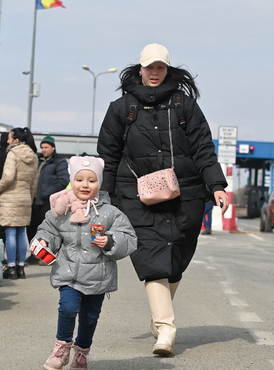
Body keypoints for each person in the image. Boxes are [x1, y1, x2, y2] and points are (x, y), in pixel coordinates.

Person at [97, 43, 229, 357]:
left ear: (167, 70)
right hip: (136, 197)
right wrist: (105, 197)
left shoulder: (185, 106)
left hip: (186, 195)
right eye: (149, 67)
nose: (154, 73)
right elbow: (108, 156)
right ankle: (166, 330)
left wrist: (217, 185)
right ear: (139, 70)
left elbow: (202, 150)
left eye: (160, 67)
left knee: (176, 262)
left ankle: (159, 316)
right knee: (152, 261)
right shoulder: (122, 108)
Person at [31, 156, 137, 370]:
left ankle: (81, 353)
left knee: (89, 317)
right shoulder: (60, 210)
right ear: (72, 181)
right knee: (68, 308)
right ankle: (61, 349)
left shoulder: (109, 212)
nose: (85, 185)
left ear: (99, 183)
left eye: (92, 180)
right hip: (67, 272)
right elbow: (47, 229)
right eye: (79, 180)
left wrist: (110, 241)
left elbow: (128, 237)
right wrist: (43, 241)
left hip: (98, 276)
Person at [0, 127, 38, 279]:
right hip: (25, 196)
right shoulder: (33, 155)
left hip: (11, 196)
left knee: (10, 232)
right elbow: (34, 182)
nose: (7, 141)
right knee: (21, 232)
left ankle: (11, 267)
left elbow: (8, 177)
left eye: (9, 138)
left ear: (16, 140)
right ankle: (21, 267)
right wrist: (30, 197)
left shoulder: (12, 154)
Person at [27, 135, 69, 260]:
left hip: (47, 201)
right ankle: (35, 254)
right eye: (42, 147)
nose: (43, 150)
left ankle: (47, 254)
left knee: (48, 229)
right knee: (32, 229)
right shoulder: (39, 161)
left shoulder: (59, 161)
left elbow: (63, 180)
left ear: (53, 147)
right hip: (34, 200)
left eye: (46, 147)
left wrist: (48, 193)